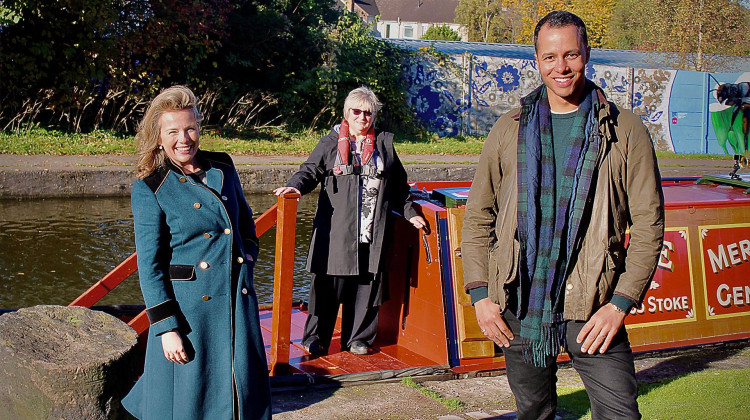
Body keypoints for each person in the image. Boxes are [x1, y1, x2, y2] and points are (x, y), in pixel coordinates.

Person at [461, 11, 664, 420]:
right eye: (550, 57)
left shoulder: (624, 130)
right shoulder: (508, 129)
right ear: (537, 60)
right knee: (534, 412)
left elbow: (649, 226)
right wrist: (481, 296)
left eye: (571, 54)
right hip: (521, 300)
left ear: (587, 53)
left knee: (620, 413)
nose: (562, 67)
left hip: (593, 303)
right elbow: (479, 216)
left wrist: (620, 304)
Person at [122, 85, 271, 419]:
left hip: (235, 299)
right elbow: (150, 265)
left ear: (199, 128)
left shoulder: (223, 166)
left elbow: (246, 225)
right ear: (158, 137)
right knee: (189, 400)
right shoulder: (150, 187)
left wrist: (246, 260)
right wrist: (166, 328)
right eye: (173, 131)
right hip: (190, 313)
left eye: (190, 128)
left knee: (240, 393)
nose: (183, 138)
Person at [274, 86, 427, 356]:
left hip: (372, 231)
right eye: (356, 111)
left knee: (367, 288)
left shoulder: (384, 144)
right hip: (336, 233)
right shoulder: (330, 142)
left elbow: (399, 187)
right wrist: (295, 187)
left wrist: (411, 213)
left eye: (368, 112)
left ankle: (358, 339)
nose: (362, 117)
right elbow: (310, 170)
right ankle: (315, 338)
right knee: (326, 288)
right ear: (347, 113)